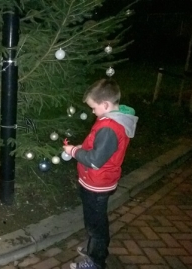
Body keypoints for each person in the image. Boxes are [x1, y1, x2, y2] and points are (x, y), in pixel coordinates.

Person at [63, 78, 138, 269]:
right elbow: (99, 148)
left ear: (105, 104)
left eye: (93, 107)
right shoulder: (110, 119)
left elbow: (96, 160)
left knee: (96, 225)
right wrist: (83, 147)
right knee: (93, 221)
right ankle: (93, 249)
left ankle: (96, 261)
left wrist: (73, 151)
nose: (92, 111)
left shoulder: (109, 127)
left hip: (97, 184)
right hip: (96, 181)